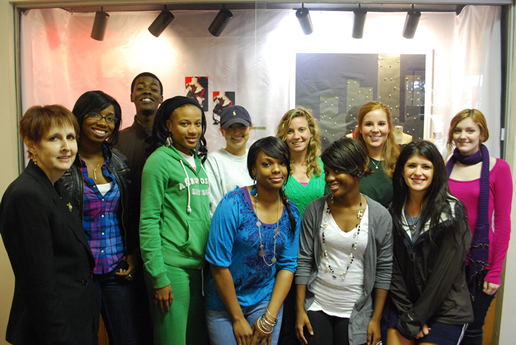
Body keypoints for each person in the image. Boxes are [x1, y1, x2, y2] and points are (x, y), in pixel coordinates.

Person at [0, 105, 97, 344]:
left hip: (75, 321)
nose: (66, 147)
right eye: (54, 138)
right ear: (31, 145)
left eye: (71, 137)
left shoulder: (54, 185)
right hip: (53, 332)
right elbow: (39, 287)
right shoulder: (26, 195)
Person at [60, 91, 151, 344]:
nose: (103, 123)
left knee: (127, 339)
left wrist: (133, 253)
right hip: (80, 273)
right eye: (95, 115)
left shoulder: (119, 162)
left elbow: (131, 213)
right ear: (79, 116)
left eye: (111, 118)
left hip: (116, 270)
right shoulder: (64, 163)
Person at [296, 137, 393, 345]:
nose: (330, 178)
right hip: (317, 305)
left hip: (357, 311)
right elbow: (304, 260)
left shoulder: (379, 216)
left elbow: (384, 270)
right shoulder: (315, 209)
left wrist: (375, 319)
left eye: (337, 171)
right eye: (328, 171)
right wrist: (299, 310)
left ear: (357, 169)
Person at [204, 136, 301, 345]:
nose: (276, 170)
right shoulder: (233, 203)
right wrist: (238, 319)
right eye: (267, 164)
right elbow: (218, 265)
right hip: (224, 304)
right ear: (254, 170)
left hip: (264, 301)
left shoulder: (291, 212)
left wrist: (269, 318)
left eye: (282, 163)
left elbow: (288, 266)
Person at [139, 96, 210, 345]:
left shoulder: (197, 161)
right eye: (184, 124)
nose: (193, 130)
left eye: (198, 124)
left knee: (195, 338)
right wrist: (159, 276)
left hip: (197, 266)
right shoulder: (159, 162)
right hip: (171, 267)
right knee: (173, 339)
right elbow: (148, 221)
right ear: (169, 125)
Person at [388, 140, 473, 345]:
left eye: (426, 166)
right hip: (405, 305)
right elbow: (393, 269)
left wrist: (416, 318)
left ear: (436, 172)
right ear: (401, 171)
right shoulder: (392, 211)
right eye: (412, 165)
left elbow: (445, 275)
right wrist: (408, 314)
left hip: (446, 308)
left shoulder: (452, 212)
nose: (418, 172)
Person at [446, 109, 512, 345]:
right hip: (448, 261)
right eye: (458, 130)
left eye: (470, 130)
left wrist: (495, 272)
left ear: (482, 134)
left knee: (473, 327)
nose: (463, 136)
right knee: (446, 326)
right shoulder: (445, 168)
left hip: (480, 264)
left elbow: (503, 223)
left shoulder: (499, 168)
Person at [114, 72, 164, 223]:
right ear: (132, 96)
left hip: (166, 227)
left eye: (154, 89)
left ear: (161, 98)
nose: (147, 91)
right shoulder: (117, 140)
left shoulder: (172, 140)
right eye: (141, 88)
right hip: (126, 226)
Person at [276, 107, 326, 216]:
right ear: (284, 136)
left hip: (319, 232)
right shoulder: (278, 168)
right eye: (290, 131)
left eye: (301, 130)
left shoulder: (325, 166)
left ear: (311, 132)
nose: (296, 136)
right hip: (287, 232)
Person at [205, 105, 253, 216]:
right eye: (230, 127)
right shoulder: (213, 161)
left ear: (250, 128)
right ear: (222, 131)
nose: (237, 132)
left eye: (241, 126)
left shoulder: (257, 157)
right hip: (227, 228)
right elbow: (215, 207)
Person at [355, 101, 400, 208]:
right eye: (369, 124)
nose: (375, 130)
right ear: (360, 128)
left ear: (389, 127)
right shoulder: (350, 162)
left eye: (381, 124)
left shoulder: (400, 162)